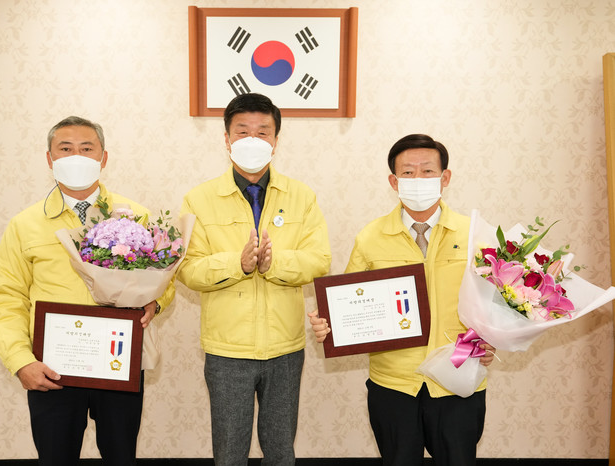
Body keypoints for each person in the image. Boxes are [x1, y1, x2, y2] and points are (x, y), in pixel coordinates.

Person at [0, 116, 174, 465]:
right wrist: (20, 361)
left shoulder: (135, 216)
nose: (76, 156)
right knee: (56, 458)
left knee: (121, 457)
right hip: (52, 368)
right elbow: (7, 297)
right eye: (66, 149)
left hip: (118, 361)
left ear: (104, 158)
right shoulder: (25, 224)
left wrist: (156, 301)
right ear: (49, 159)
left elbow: (164, 278)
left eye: (86, 149)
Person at [309, 134, 495, 466]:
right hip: (393, 384)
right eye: (408, 172)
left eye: (427, 171)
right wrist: (329, 324)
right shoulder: (371, 236)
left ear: (445, 177)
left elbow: (496, 302)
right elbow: (349, 301)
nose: (418, 179)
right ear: (394, 182)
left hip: (457, 376)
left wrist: (492, 339)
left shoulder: (474, 235)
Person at [177, 93, 331, 465]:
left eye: (262, 132)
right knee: (230, 451)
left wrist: (274, 263)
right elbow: (187, 269)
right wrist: (239, 264)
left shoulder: (301, 196)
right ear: (226, 139)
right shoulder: (199, 198)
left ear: (276, 140)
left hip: (285, 347)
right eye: (242, 131)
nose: (252, 140)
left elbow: (319, 260)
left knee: (280, 449)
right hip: (227, 350)